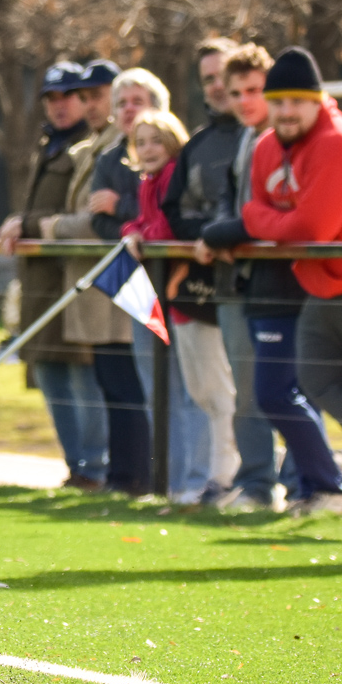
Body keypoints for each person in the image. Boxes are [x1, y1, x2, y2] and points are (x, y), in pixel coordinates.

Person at [204, 47, 342, 518]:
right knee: (313, 378)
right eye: (279, 101)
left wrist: (258, 217)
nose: (286, 111)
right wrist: (269, 217)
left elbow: (310, 229)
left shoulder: (340, 143)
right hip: (326, 283)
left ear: (318, 101)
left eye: (297, 102)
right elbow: (274, 216)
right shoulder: (267, 147)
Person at [39, 60, 150, 494]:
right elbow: (97, 217)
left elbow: (106, 218)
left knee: (132, 388)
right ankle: (123, 477)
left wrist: (51, 226)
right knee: (114, 384)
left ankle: (134, 476)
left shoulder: (127, 149)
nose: (93, 105)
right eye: (114, 100)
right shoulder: (103, 150)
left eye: (98, 95)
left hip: (129, 285)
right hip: (103, 283)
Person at [95, 106, 215, 502]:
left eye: (155, 140)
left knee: (188, 393)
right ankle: (169, 480)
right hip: (152, 294)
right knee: (158, 392)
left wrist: (140, 231)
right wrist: (132, 230)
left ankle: (193, 480)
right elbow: (145, 223)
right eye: (140, 142)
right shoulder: (147, 182)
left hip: (184, 296)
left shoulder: (173, 179)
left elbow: (167, 227)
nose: (148, 149)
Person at [0, 62, 107, 489]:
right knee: (49, 371)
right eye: (51, 98)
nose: (59, 106)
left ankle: (93, 468)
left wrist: (25, 223)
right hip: (42, 280)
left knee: (81, 374)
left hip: (72, 278)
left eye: (68, 97)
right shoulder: (48, 144)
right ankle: (77, 465)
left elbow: (75, 215)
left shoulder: (88, 146)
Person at [211, 43, 302, 509]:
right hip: (241, 282)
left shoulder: (288, 140)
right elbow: (234, 201)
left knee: (291, 389)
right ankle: (257, 485)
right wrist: (223, 233)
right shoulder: (245, 140)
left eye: (255, 90)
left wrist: (222, 234)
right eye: (236, 92)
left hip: (286, 282)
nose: (246, 101)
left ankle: (303, 484)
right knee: (248, 391)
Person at [159, 38, 244, 505]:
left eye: (224, 77)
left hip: (255, 282)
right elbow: (176, 209)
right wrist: (210, 233)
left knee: (255, 386)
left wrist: (229, 234)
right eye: (208, 79)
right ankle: (221, 476)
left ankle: (252, 478)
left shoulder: (263, 137)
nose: (217, 87)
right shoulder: (198, 145)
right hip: (199, 283)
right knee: (207, 388)